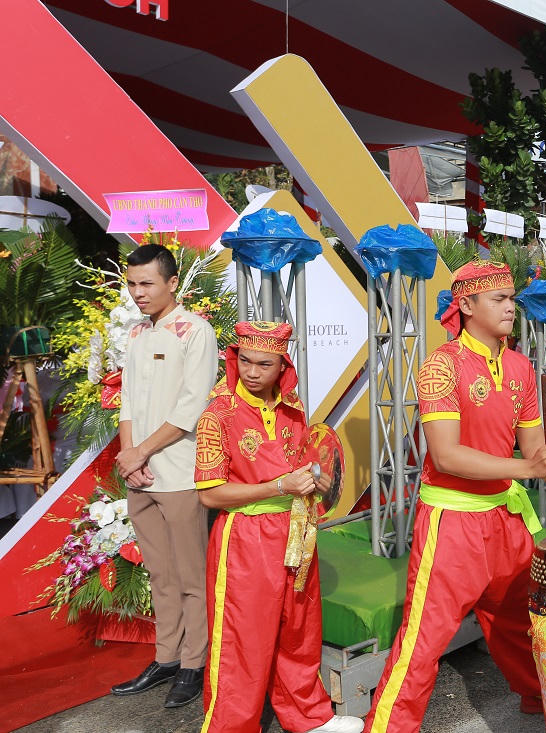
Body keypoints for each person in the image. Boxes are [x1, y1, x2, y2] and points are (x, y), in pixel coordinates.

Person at [366, 260, 546, 732]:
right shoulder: (441, 367)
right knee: (422, 643)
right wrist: (527, 469)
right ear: (466, 306)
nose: (511, 307)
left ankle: (543, 703)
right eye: (499, 300)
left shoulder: (520, 366)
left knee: (523, 623)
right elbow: (446, 456)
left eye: (512, 298)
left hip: (506, 520)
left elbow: (532, 451)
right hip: (453, 522)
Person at [193, 321, 363, 732]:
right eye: (244, 361)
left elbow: (301, 464)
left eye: (263, 365)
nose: (252, 372)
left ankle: (309, 718)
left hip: (296, 530)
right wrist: (278, 486)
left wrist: (316, 479)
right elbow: (210, 495)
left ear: (283, 366)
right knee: (242, 643)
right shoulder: (217, 416)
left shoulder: (294, 408)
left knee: (299, 631)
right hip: (246, 541)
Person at [111, 244, 217, 708]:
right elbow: (128, 401)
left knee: (191, 574)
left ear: (173, 283)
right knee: (159, 573)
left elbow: (191, 409)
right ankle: (167, 657)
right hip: (140, 475)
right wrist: (128, 456)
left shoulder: (196, 332)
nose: (138, 293)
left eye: (147, 283)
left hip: (180, 475)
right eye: (132, 284)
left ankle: (195, 663)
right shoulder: (135, 334)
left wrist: (140, 453)